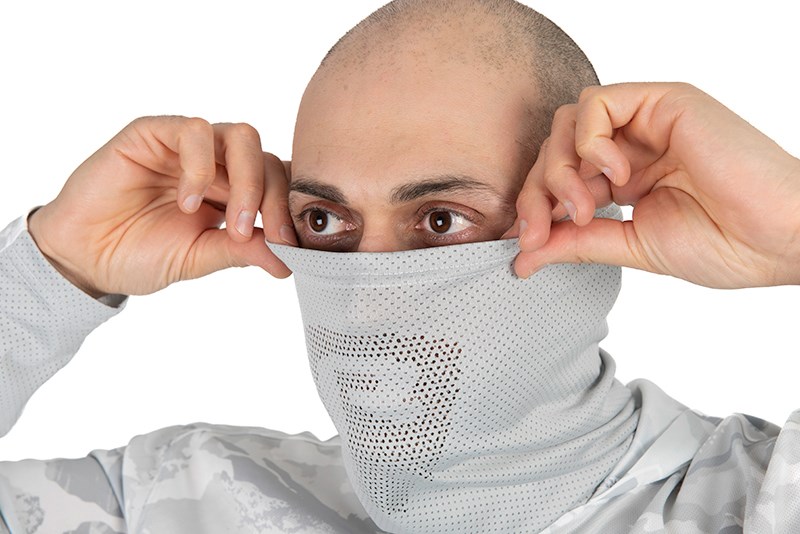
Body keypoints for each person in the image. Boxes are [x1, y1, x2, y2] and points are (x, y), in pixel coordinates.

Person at [1, 0, 799, 532]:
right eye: (325, 222)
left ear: (592, 210)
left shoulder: (761, 501)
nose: (368, 304)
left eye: (440, 221)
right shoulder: (179, 503)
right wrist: (55, 267)